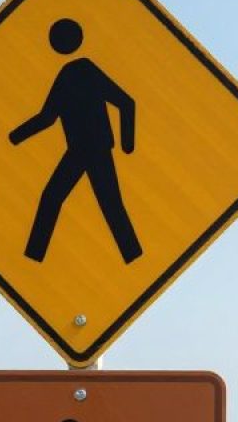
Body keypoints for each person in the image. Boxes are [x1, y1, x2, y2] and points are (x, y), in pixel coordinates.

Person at [9, 17, 143, 264]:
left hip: (96, 149)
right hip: (81, 150)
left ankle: (133, 256)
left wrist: (128, 144)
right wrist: (15, 137)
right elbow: (47, 117)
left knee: (106, 203)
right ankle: (33, 258)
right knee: (58, 197)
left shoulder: (83, 70)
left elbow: (126, 103)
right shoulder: (69, 74)